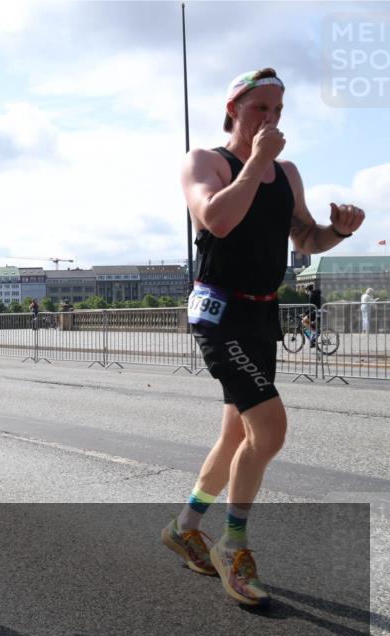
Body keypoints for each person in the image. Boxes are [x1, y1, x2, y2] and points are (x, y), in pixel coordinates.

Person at [169, 67, 365, 607]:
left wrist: (339, 230)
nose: (271, 121)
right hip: (220, 313)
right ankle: (232, 546)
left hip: (262, 315)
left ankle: (186, 525)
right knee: (271, 431)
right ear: (233, 108)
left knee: (238, 433)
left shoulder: (287, 173)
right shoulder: (205, 162)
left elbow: (305, 236)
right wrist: (255, 161)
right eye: (260, 109)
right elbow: (217, 218)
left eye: (278, 112)